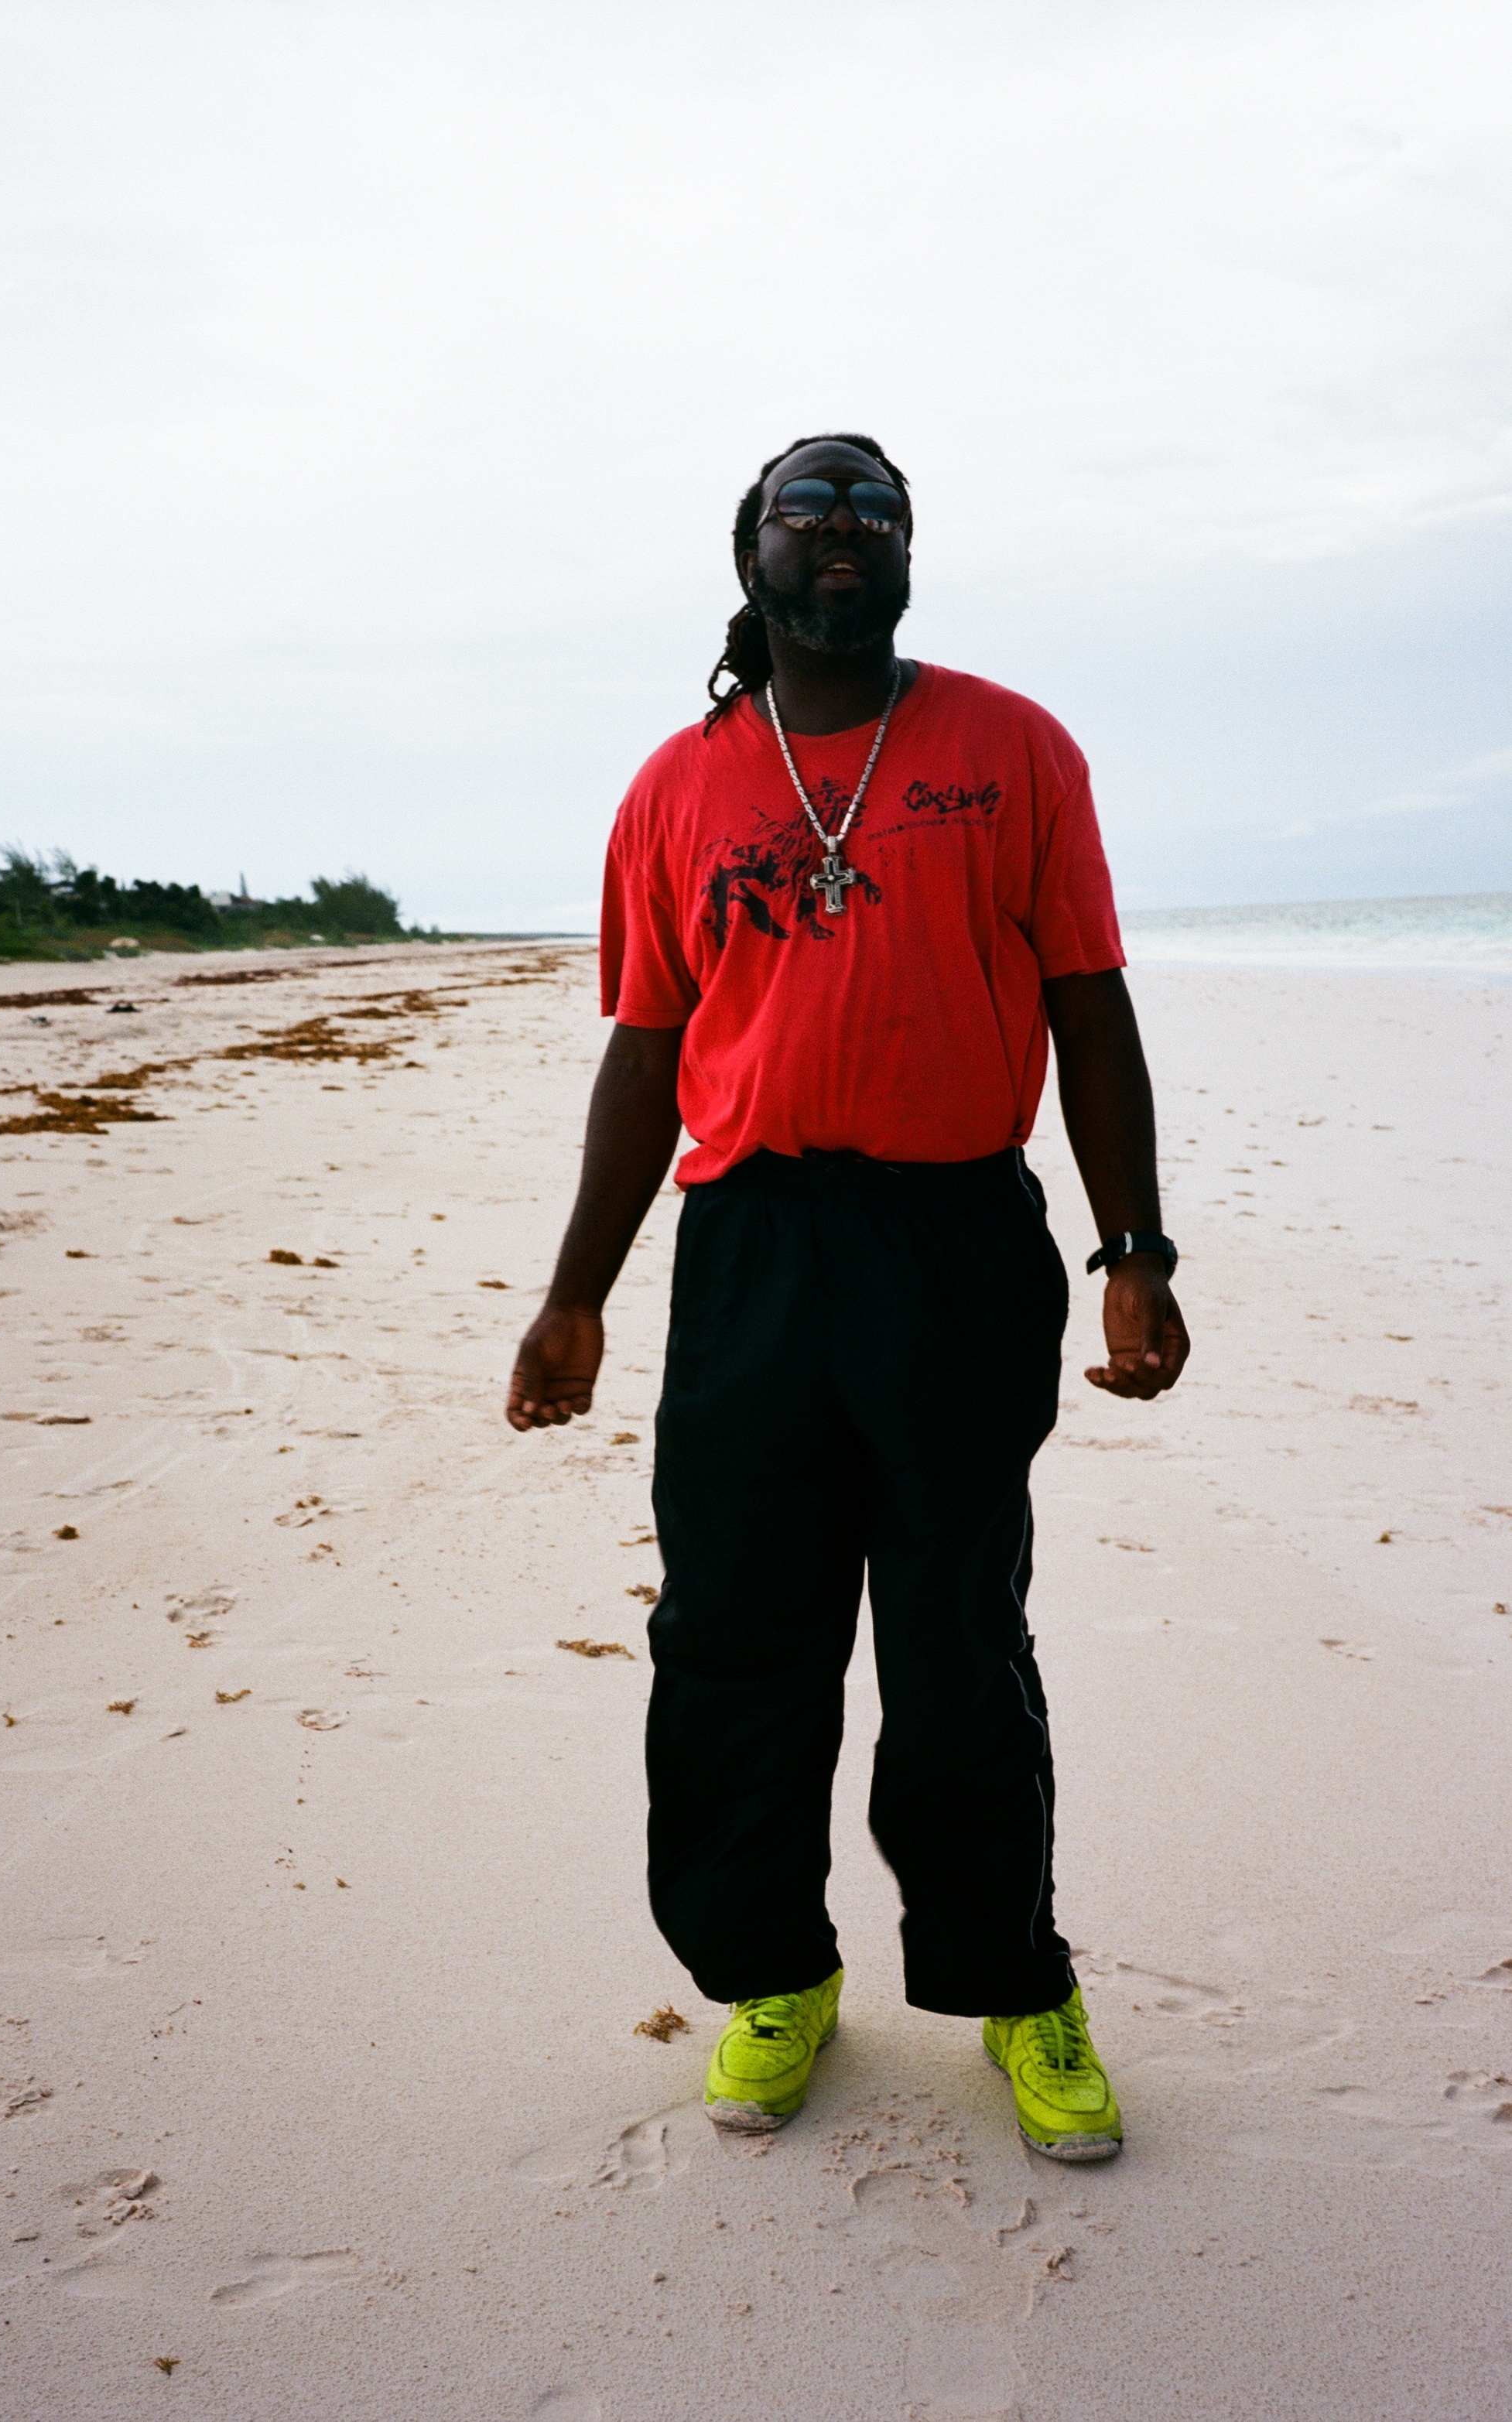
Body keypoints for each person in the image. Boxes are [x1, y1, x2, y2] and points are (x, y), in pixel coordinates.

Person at [506, 433, 1189, 2161]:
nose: (841, 529)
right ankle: (772, 1972)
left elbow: (1092, 1008)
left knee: (960, 1636)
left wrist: (1134, 1255)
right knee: (737, 1636)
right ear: (751, 551)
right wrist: (577, 1292)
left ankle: (1017, 1981)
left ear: (906, 555)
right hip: (753, 1252)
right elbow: (648, 1049)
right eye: (807, 505)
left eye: (874, 508)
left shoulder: (1013, 747)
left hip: (958, 1243)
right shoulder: (678, 785)